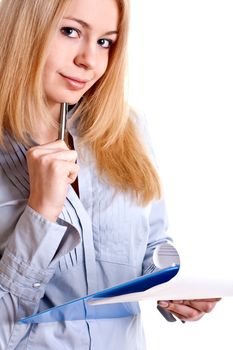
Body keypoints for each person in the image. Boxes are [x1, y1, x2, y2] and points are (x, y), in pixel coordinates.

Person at [0, 0, 220, 349]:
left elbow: (153, 243)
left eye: (105, 42)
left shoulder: (125, 130)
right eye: (70, 31)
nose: (89, 60)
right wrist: (40, 214)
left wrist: (171, 285)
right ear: (23, 28)